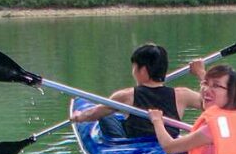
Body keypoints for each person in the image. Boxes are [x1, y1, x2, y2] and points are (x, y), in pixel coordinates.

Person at [70, 43, 203, 139]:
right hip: (168, 143)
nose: (133, 72)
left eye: (134, 68)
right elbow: (214, 102)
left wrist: (79, 116)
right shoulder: (183, 95)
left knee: (106, 114)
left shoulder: (126, 96)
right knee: (110, 112)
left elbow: (93, 113)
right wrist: (201, 73)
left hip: (137, 147)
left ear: (143, 70)